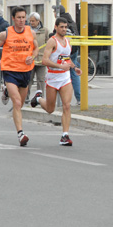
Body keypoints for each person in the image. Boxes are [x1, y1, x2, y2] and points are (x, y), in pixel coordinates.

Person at [30, 18, 82, 146]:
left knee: (67, 106)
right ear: (56, 27)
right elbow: (44, 61)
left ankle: (65, 135)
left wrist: (74, 68)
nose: (64, 29)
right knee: (50, 109)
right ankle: (38, 99)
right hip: (53, 78)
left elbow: (66, 59)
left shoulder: (67, 42)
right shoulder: (52, 41)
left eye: (65, 27)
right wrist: (60, 67)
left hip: (65, 78)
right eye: (62, 27)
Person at [0, 6, 38, 146]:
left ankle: (5, 90)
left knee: (20, 104)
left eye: (24, 17)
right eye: (19, 18)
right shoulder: (5, 33)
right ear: (13, 19)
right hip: (10, 70)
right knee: (16, 103)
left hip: (25, 71)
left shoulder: (31, 32)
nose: (22, 20)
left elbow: (35, 48)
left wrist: (32, 57)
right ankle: (20, 133)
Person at [53, 5, 80, 105]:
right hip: (73, 50)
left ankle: (64, 99)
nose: (54, 13)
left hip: (66, 51)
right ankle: (79, 98)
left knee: (68, 72)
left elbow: (55, 36)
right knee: (73, 72)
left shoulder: (61, 23)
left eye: (54, 11)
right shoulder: (71, 21)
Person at [26, 12, 48, 104]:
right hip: (30, 59)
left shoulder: (45, 30)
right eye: (30, 21)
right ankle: (26, 96)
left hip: (41, 59)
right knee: (28, 79)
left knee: (41, 79)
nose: (31, 22)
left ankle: (39, 98)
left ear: (38, 21)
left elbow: (48, 43)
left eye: (33, 21)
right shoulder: (27, 30)